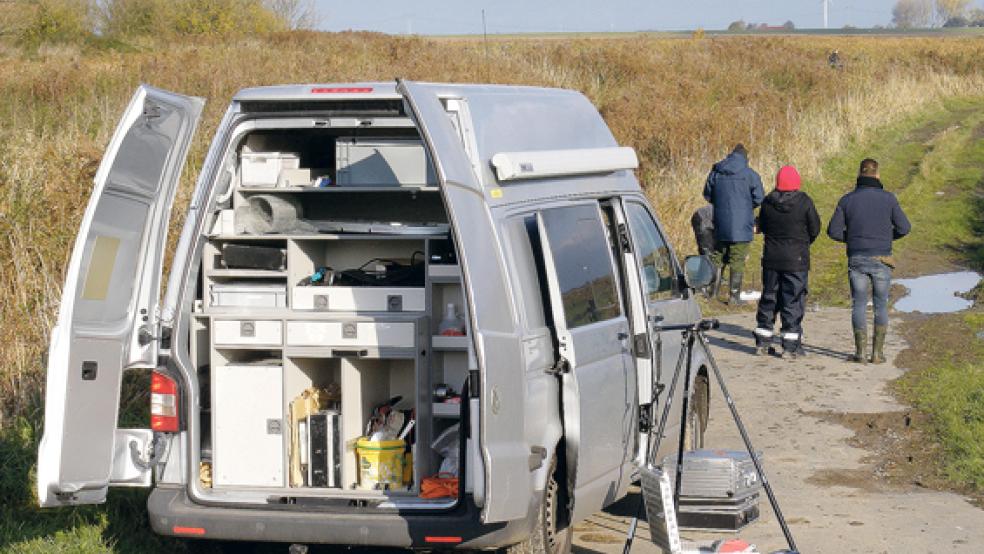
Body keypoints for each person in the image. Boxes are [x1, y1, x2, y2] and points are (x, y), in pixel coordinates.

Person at [827, 158, 911, 364]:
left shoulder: (847, 200)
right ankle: (877, 353)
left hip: (857, 257)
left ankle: (860, 353)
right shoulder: (889, 199)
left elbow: (833, 231)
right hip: (882, 257)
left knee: (859, 303)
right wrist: (886, 237)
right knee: (881, 305)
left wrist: (853, 239)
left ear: (859, 174)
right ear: (877, 174)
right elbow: (904, 227)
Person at [753, 166, 821, 358]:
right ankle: (790, 347)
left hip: (772, 258)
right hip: (796, 260)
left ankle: (763, 342)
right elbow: (815, 228)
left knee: (769, 298)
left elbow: (762, 226)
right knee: (793, 300)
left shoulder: (767, 202)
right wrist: (803, 243)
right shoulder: (804, 202)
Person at [703, 143, 765, 304]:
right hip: (742, 223)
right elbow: (759, 198)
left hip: (721, 222)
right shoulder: (750, 174)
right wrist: (746, 207)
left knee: (718, 257)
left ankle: (712, 293)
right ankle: (734, 296)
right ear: (745, 158)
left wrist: (721, 205)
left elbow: (707, 195)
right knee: (737, 259)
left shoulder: (716, 172)